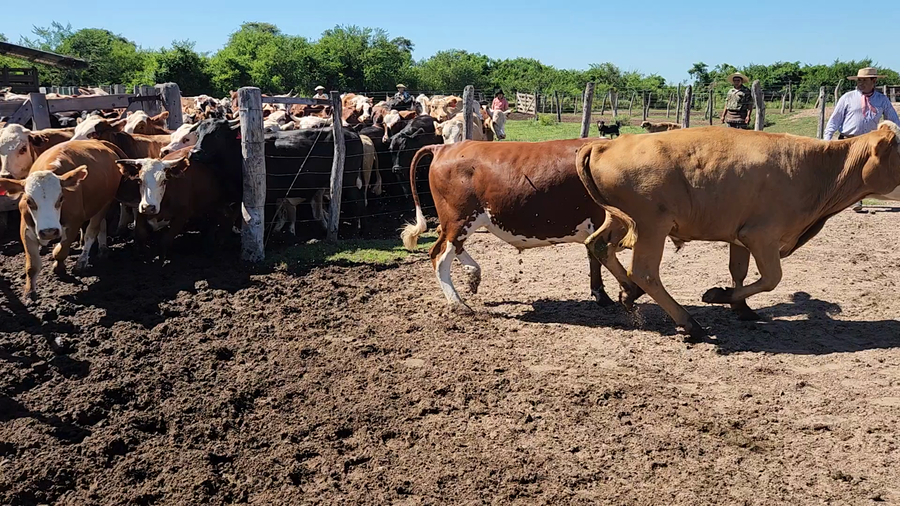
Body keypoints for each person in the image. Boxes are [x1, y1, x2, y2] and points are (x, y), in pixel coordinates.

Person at [824, 67, 900, 212]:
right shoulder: (847, 98)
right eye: (859, 80)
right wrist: (826, 140)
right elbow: (834, 120)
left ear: (874, 81)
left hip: (870, 143)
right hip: (849, 140)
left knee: (865, 172)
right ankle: (843, 200)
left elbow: (894, 120)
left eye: (865, 80)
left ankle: (857, 199)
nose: (861, 83)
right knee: (846, 171)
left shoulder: (881, 100)